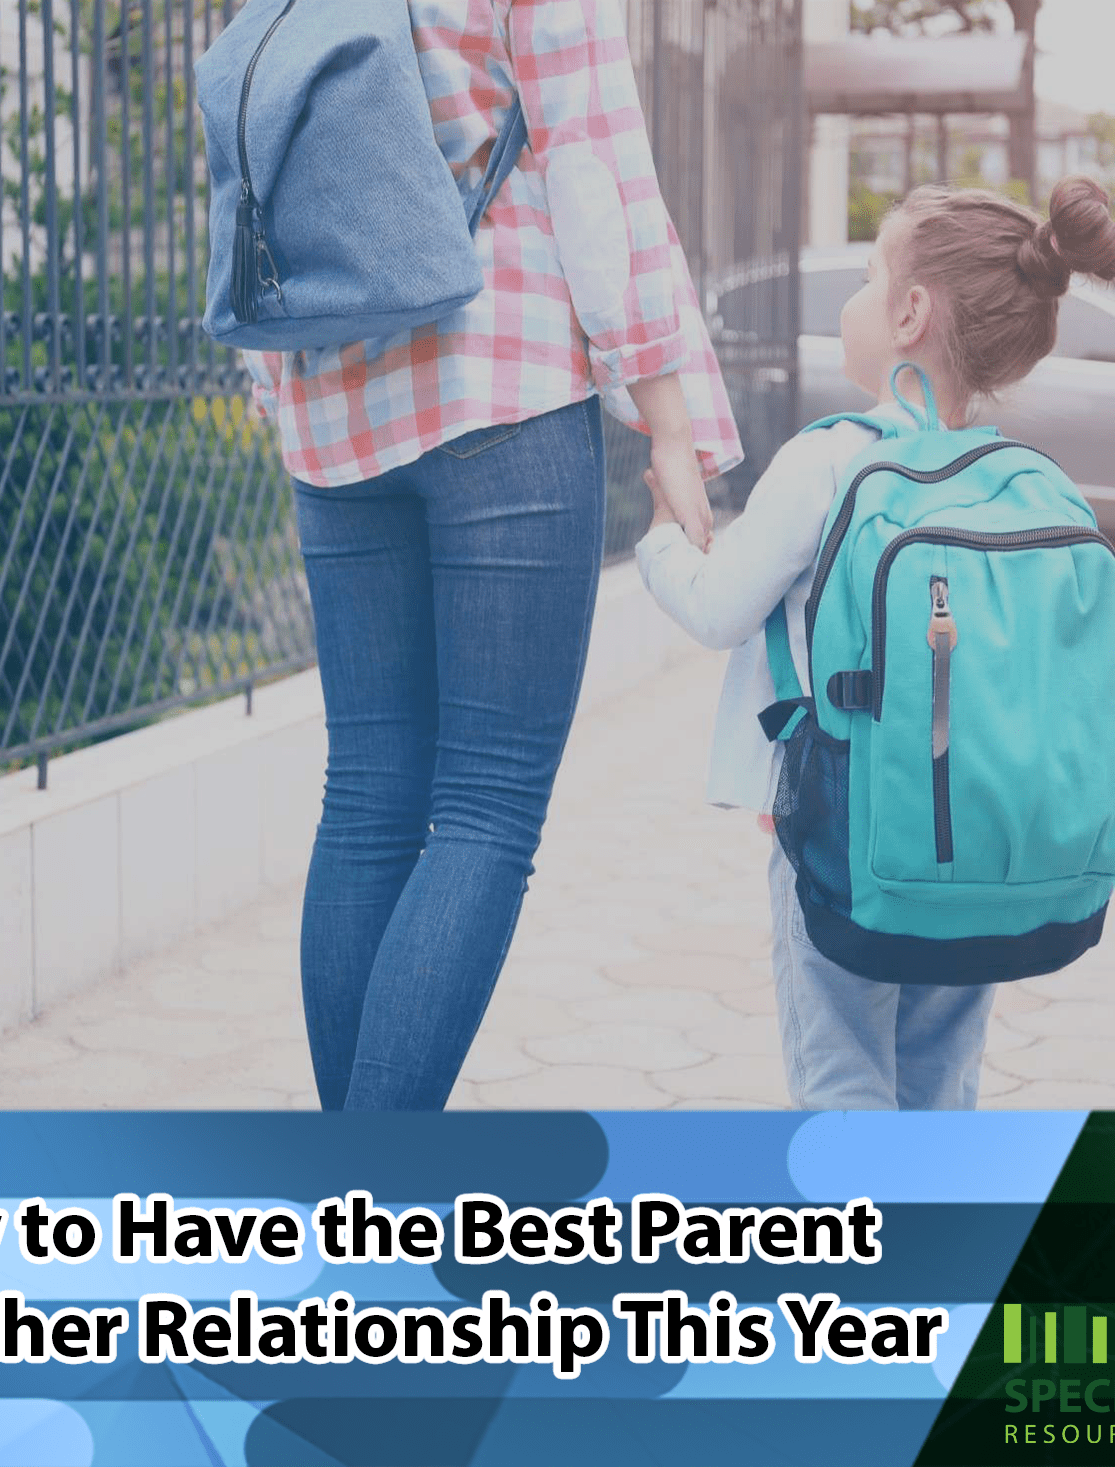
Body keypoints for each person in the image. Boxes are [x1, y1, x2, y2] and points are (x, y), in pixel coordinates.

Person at [246, 0, 742, 1110]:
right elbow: (594, 159)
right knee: (485, 805)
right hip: (499, 378)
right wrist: (667, 418)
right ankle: (379, 1197)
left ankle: (350, 1196)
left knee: (367, 797)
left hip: (331, 396)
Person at [636, 176, 1115, 1109]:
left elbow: (716, 608)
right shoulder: (1016, 483)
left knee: (840, 1077)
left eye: (868, 277)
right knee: (940, 1084)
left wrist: (662, 533)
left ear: (909, 313)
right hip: (977, 847)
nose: (854, 298)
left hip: (844, 844)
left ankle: (866, 1248)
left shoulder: (830, 459)